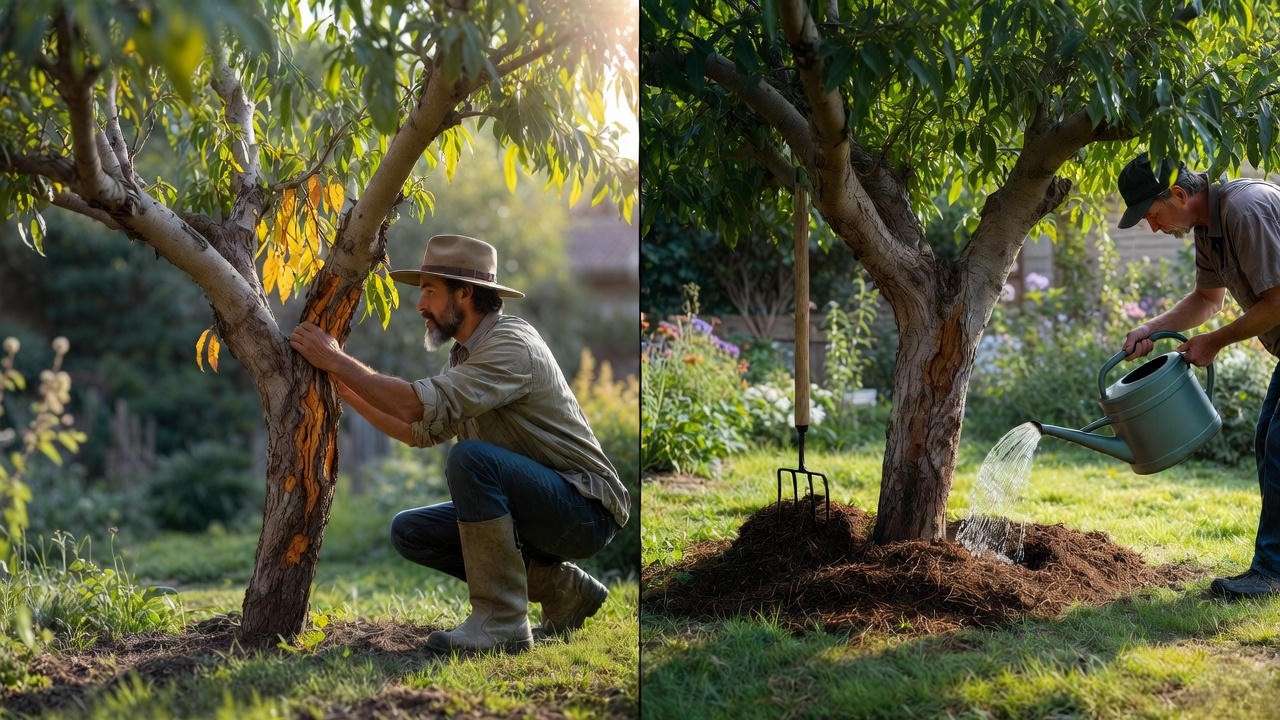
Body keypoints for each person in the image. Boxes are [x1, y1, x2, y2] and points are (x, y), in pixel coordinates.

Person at [288, 234, 629, 652]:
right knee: (411, 531)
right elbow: (419, 432)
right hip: (540, 506)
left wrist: (336, 359)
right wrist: (341, 388)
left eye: (430, 291)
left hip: (585, 509)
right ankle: (562, 590)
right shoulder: (466, 355)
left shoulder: (511, 345)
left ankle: (502, 623)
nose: (419, 305)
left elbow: (415, 407)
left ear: (464, 294)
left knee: (470, 460)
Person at [1117, 154, 1280, 599]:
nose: (1153, 228)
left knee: (1279, 446)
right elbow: (1208, 299)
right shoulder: (1210, 227)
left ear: (1179, 195)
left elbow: (1278, 301)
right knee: (1268, 442)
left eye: (1152, 215)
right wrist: (1150, 327)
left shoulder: (1245, 209)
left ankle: (1270, 573)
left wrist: (1215, 342)